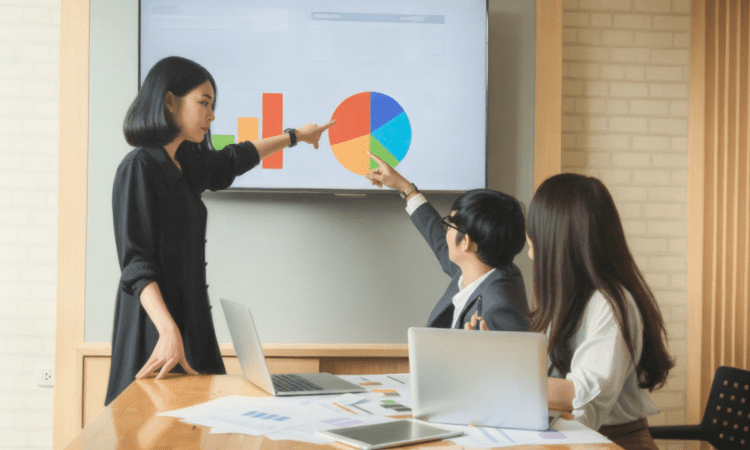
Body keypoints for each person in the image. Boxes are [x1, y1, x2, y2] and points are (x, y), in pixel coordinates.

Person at [105, 56, 334, 405]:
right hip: (156, 329)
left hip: (192, 325)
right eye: (204, 103)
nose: (212, 116)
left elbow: (234, 159)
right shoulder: (140, 167)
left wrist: (295, 136)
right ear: (169, 101)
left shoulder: (185, 164)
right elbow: (136, 263)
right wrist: (168, 331)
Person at [470, 173, 674, 450]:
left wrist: (499, 375)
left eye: (534, 244)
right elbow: (553, 379)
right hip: (578, 436)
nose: (531, 256)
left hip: (613, 442)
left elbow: (584, 393)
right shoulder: (572, 298)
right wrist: (495, 357)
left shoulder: (611, 303)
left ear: (559, 241)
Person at [366, 152, 529, 331]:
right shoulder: (482, 268)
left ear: (465, 242)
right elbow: (437, 238)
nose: (445, 232)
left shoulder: (498, 309)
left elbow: (512, 358)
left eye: (449, 225)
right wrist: (404, 187)